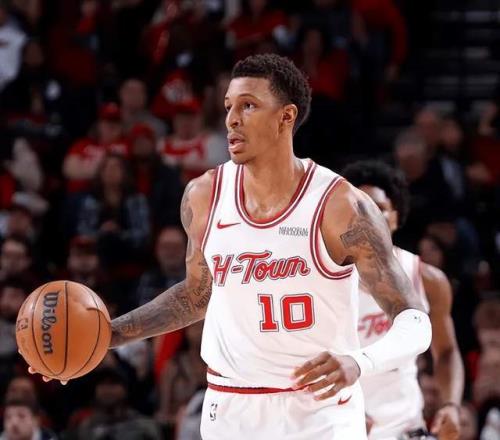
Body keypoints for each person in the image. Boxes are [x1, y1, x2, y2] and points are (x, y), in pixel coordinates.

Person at [33, 54, 432, 439]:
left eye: (248, 105)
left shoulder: (340, 206)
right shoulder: (204, 196)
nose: (231, 119)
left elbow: (415, 321)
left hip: (318, 413)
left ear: (286, 117)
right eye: (228, 106)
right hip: (230, 409)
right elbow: (197, 295)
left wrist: (360, 362)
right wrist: (105, 335)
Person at [343, 160, 464, 440]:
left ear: (395, 217)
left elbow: (446, 352)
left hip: (406, 427)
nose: (368, 217)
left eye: (378, 208)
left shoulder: (427, 278)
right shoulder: (322, 279)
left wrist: (450, 404)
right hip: (343, 424)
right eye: (359, 208)